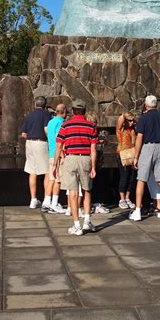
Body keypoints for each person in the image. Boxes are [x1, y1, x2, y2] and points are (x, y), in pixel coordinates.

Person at [52, 99, 98, 235]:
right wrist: (94, 167)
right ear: (84, 111)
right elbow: (93, 148)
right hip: (85, 159)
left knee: (73, 191)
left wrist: (54, 165)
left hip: (70, 158)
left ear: (72, 111)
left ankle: (77, 225)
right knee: (87, 189)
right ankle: (87, 221)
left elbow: (59, 146)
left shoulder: (65, 125)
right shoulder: (91, 126)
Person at [129, 95, 160, 221]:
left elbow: (139, 138)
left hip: (148, 148)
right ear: (156, 104)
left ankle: (137, 211)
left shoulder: (143, 118)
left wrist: (136, 156)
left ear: (145, 105)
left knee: (141, 179)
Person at [20, 96, 52, 209]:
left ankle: (33, 200)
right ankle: (46, 200)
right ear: (45, 105)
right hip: (41, 143)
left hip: (29, 144)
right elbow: (47, 130)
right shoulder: (46, 114)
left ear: (35, 104)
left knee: (32, 171)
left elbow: (23, 134)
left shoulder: (29, 115)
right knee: (47, 171)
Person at [41, 103, 67, 213]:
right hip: (57, 153)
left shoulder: (50, 122)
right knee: (58, 180)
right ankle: (54, 204)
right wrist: (61, 153)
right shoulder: (61, 122)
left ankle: (46, 202)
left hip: (51, 153)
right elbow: (59, 138)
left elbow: (47, 132)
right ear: (64, 112)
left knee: (51, 178)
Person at [116, 112, 137, 210]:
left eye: (132, 121)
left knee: (132, 177)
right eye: (129, 121)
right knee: (124, 176)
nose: (131, 122)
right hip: (123, 154)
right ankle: (122, 198)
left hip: (132, 154)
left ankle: (128, 197)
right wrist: (125, 116)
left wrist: (133, 120)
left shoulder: (133, 130)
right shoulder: (121, 129)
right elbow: (120, 119)